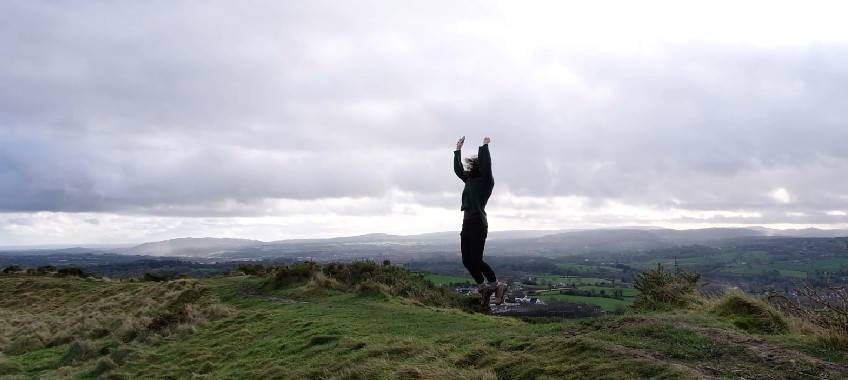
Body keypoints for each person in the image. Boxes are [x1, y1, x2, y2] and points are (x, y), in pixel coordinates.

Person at [454, 136, 507, 305]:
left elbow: (486, 166)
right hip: (467, 223)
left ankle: (497, 286)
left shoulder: (486, 182)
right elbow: (458, 170)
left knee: (476, 259)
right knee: (466, 260)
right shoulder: (469, 180)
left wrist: (484, 147)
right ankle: (484, 289)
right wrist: (457, 150)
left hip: (478, 223)